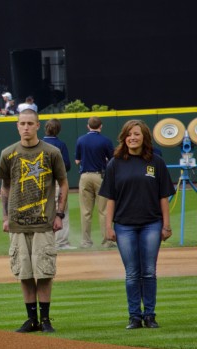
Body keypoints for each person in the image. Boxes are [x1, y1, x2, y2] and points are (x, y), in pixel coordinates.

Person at [99, 120, 175, 330]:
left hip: (151, 223)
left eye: (137, 134)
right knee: (132, 272)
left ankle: (149, 315)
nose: (133, 138)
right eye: (129, 134)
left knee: (149, 271)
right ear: (124, 138)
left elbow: (163, 196)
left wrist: (166, 225)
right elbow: (110, 198)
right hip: (124, 225)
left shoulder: (156, 162)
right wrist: (108, 226)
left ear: (144, 138)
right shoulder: (115, 163)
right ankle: (134, 316)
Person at [0, 108, 68, 333]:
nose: (26, 127)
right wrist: (6, 217)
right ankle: (32, 319)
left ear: (38, 125)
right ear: (17, 126)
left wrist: (59, 214)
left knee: (44, 272)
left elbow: (63, 183)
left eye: (30, 123)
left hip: (44, 222)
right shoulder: (7, 153)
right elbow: (5, 187)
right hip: (18, 223)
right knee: (25, 273)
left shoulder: (52, 152)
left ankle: (46, 319)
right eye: (22, 123)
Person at [75, 116, 114, 248]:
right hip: (100, 176)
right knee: (103, 210)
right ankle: (107, 241)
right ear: (100, 126)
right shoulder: (105, 141)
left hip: (85, 176)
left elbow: (77, 161)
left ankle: (86, 242)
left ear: (88, 126)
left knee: (86, 211)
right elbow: (113, 160)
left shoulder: (81, 139)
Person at [42, 118, 75, 250]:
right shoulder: (60, 144)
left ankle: (46, 241)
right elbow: (67, 165)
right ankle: (61, 242)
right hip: (56, 181)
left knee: (43, 211)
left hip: (41, 182)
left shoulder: (39, 143)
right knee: (61, 210)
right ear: (59, 130)